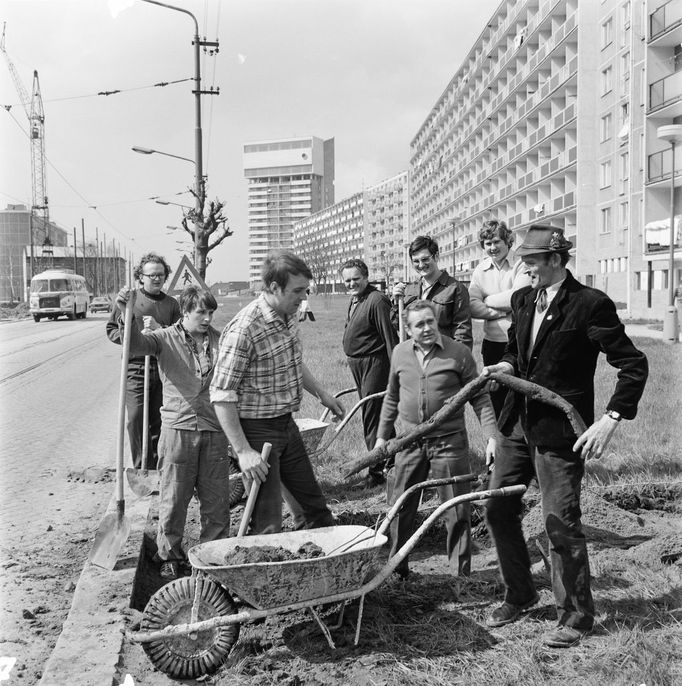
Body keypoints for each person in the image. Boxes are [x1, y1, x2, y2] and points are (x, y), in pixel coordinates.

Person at [482, 224, 648, 648]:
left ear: (556, 259)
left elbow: (632, 364)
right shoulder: (522, 300)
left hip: (559, 433)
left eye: (533, 261)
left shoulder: (590, 304)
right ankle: (519, 593)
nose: (525, 268)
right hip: (516, 425)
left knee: (560, 523)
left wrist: (611, 418)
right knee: (498, 510)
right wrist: (505, 368)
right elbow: (516, 354)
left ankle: (575, 616)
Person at [210, 250, 345, 535]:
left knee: (314, 509)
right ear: (273, 288)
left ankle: (319, 570)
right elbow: (222, 395)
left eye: (305, 290)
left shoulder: (289, 315)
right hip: (257, 432)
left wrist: (322, 394)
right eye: (297, 290)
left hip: (287, 425)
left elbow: (294, 360)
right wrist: (244, 451)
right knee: (267, 520)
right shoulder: (245, 329)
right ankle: (267, 575)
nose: (302, 296)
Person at [375, 300, 497, 579]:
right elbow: (391, 397)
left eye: (431, 321)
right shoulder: (400, 353)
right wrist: (383, 437)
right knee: (400, 507)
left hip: (449, 442)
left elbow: (479, 397)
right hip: (409, 443)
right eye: (420, 324)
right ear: (408, 329)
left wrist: (491, 437)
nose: (428, 328)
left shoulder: (458, 353)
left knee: (456, 508)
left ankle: (460, 574)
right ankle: (396, 570)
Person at [115, 285, 230, 580]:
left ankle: (213, 555)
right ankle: (169, 555)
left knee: (216, 500)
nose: (207, 318)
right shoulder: (165, 338)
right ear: (186, 312)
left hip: (215, 430)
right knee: (174, 498)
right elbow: (135, 345)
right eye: (201, 312)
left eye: (211, 312)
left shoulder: (220, 341)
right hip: (178, 429)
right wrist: (125, 314)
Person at [106, 252, 180, 470]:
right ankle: (140, 468)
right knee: (136, 419)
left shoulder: (172, 305)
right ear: (141, 277)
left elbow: (180, 335)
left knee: (159, 421)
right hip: (135, 367)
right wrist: (133, 339)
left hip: (162, 367)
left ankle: (156, 468)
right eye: (151, 275)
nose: (156, 279)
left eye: (161, 275)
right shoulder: (129, 300)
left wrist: (160, 330)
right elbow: (111, 329)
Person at [341, 259, 398, 488]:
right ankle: (392, 462)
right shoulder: (356, 299)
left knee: (372, 415)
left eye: (356, 278)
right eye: (347, 280)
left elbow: (390, 337)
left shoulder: (376, 300)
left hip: (375, 363)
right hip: (358, 365)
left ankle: (376, 471)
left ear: (366, 277)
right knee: (376, 414)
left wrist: (397, 371)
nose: (351, 283)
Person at [468, 219, 531, 416]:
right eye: (488, 243)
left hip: (521, 343)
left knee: (522, 396)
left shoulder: (522, 263)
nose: (493, 247)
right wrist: (504, 311)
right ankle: (500, 442)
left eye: (497, 242)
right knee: (496, 396)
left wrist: (487, 300)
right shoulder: (480, 270)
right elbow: (471, 305)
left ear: (508, 241)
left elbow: (519, 296)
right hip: (493, 343)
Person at [392, 235, 472, 349]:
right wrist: (396, 302)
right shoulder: (409, 289)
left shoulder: (455, 289)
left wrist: (457, 362)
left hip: (443, 357)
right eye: (416, 261)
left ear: (436, 256)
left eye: (425, 259)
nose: (421, 265)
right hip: (416, 358)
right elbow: (400, 326)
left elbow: (462, 332)